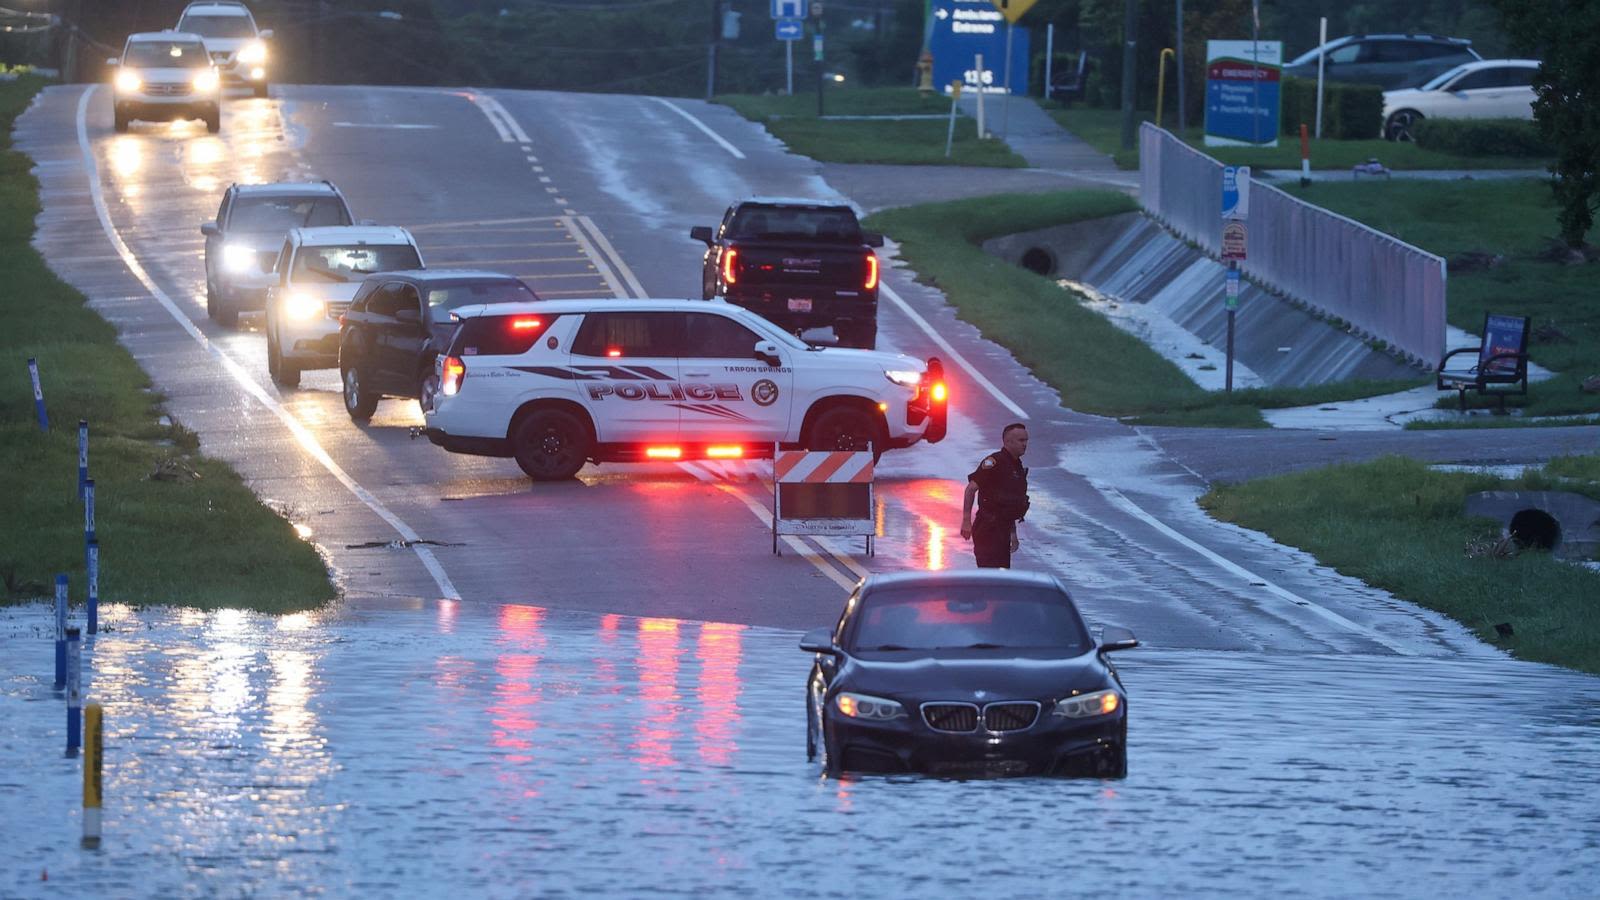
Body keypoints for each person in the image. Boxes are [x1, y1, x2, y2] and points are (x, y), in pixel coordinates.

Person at [959, 423, 1030, 568]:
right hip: (988, 529)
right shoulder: (994, 462)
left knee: (1002, 577)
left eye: (1026, 440)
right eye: (1021, 440)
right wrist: (966, 521)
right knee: (989, 576)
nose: (1025, 444)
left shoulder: (1016, 465)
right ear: (1008, 442)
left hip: (1003, 529)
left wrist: (1012, 534)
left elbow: (1009, 506)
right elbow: (970, 489)